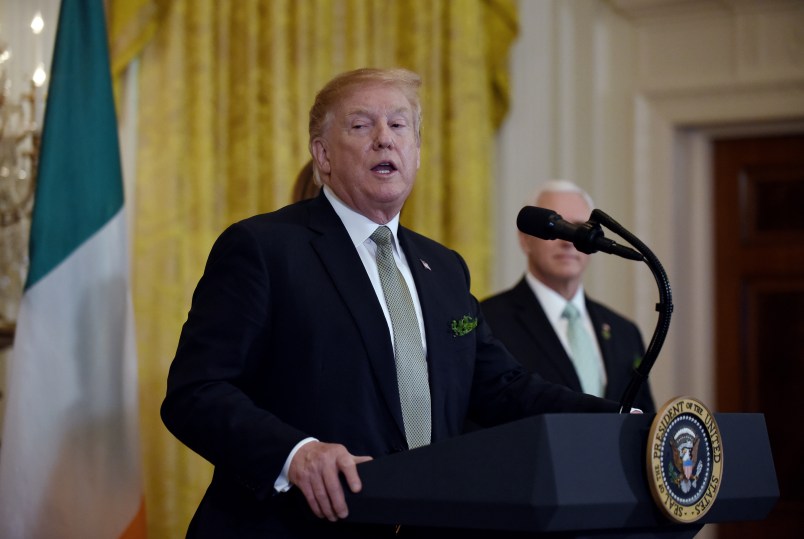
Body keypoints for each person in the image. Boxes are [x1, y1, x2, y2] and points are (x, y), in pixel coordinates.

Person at [161, 68, 625, 539]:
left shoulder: (444, 269)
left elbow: (503, 388)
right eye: (361, 125)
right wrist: (295, 453)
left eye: (399, 125)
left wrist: (621, 423)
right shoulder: (264, 248)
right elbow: (196, 392)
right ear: (322, 155)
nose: (385, 139)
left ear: (417, 152)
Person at [481, 180, 655, 413]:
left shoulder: (624, 331)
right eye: (556, 227)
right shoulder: (489, 321)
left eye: (580, 228)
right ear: (525, 240)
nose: (569, 240)